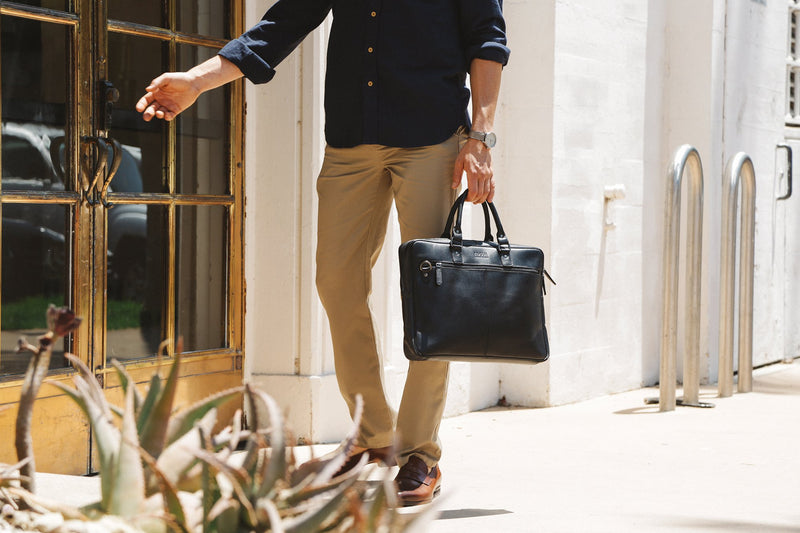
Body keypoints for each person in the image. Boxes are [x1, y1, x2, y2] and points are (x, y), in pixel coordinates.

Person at [136, 0, 509, 506]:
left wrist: (481, 137)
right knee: (336, 282)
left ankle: (420, 451)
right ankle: (375, 434)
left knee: (432, 297)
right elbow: (283, 23)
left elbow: (487, 38)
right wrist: (198, 81)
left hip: (432, 139)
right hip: (351, 140)